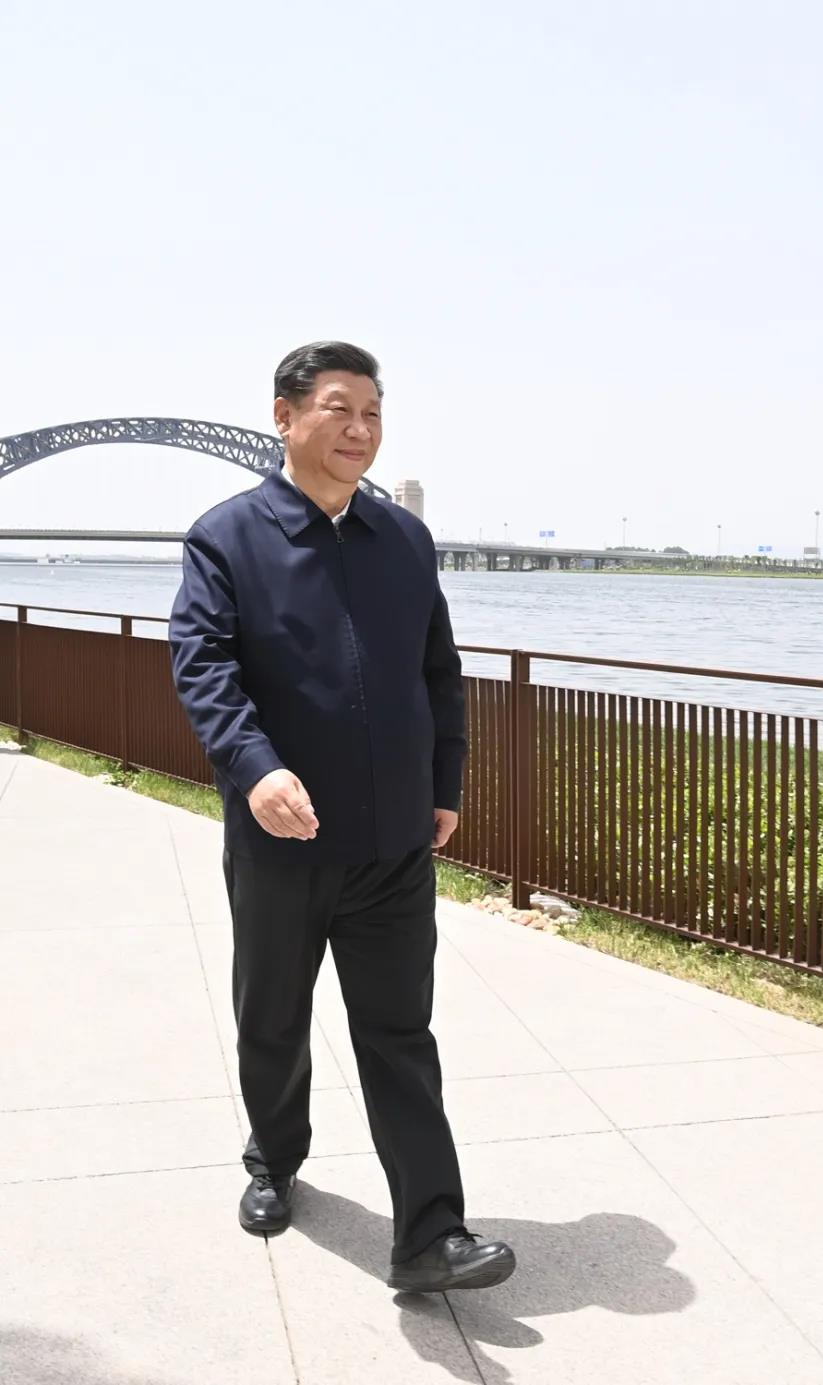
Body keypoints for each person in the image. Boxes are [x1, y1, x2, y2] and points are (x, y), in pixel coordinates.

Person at [169, 341, 515, 1294]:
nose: (360, 430)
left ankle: (431, 1234)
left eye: (372, 412)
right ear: (284, 417)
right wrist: (255, 769)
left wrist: (445, 782)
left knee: (401, 1033)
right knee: (273, 1017)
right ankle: (273, 1158)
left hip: (394, 840)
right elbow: (204, 667)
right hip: (282, 839)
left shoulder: (404, 538)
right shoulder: (226, 537)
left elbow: (438, 670)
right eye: (338, 408)